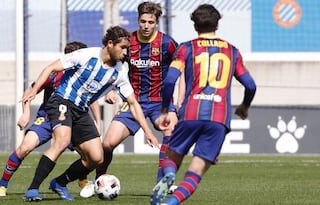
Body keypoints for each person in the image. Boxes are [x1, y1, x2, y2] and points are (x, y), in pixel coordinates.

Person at [21, 26, 161, 201]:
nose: (126, 52)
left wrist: (148, 132)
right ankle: (32, 190)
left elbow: (133, 103)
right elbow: (50, 68)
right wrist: (33, 91)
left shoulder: (120, 73)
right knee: (62, 141)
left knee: (96, 158)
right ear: (110, 44)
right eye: (122, 47)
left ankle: (59, 183)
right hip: (62, 101)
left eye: (127, 48)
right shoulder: (86, 55)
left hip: (81, 109)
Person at [150, 4, 257, 205]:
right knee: (196, 171)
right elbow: (250, 85)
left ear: (194, 26)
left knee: (171, 156)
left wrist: (165, 109)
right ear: (217, 24)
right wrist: (244, 106)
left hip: (190, 113)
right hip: (219, 117)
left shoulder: (186, 48)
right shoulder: (232, 51)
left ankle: (170, 174)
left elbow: (170, 80)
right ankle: (170, 203)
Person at [90, 1, 178, 192]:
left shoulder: (167, 43)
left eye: (151, 22)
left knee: (170, 131)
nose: (146, 26)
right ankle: (99, 182)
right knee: (108, 143)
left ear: (157, 22)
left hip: (159, 102)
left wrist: (180, 99)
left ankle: (161, 184)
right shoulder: (128, 41)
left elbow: (181, 67)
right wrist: (111, 90)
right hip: (133, 101)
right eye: (143, 21)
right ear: (138, 20)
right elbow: (114, 66)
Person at [0, 41, 100, 197]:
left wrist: (97, 121)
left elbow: (93, 100)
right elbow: (30, 91)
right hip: (47, 119)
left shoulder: (85, 77)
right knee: (25, 147)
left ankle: (81, 179)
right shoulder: (53, 75)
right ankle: (2, 184)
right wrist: (26, 113)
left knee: (91, 154)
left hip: (70, 120)